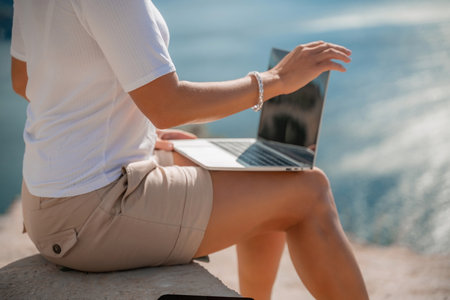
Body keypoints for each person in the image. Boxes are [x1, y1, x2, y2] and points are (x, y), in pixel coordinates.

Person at [10, 1, 368, 299]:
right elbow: (169, 103)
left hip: (51, 197)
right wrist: (277, 80)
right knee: (308, 190)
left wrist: (131, 134)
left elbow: (24, 79)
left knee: (264, 173)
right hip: (88, 213)